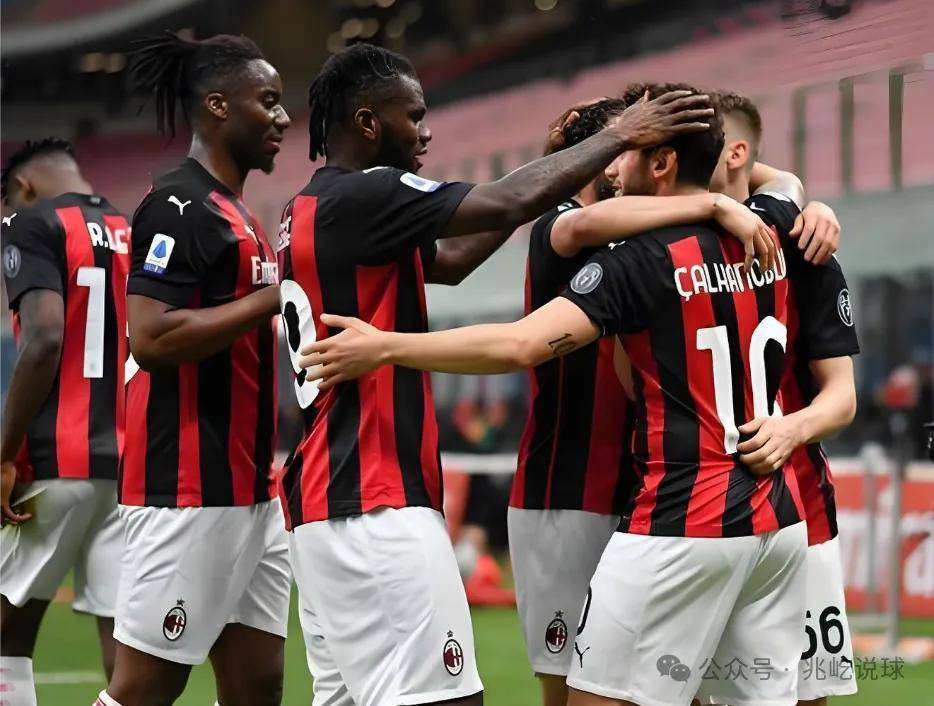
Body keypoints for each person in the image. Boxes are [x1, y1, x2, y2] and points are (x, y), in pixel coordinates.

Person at [298, 87, 855, 706]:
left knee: (588, 697)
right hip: (773, 519)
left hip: (679, 515)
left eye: (627, 150)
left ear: (661, 162)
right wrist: (736, 193)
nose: (613, 167)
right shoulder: (771, 227)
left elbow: (519, 345)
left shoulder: (638, 258)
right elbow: (782, 185)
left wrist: (385, 346)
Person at [277, 42, 714, 706]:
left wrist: (552, 168)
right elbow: (506, 201)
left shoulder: (308, 208)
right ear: (367, 122)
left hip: (323, 506)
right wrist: (619, 134)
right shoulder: (368, 193)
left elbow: (452, 262)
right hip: (373, 501)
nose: (425, 133)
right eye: (413, 116)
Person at [508, 94, 777, 706]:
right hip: (567, 491)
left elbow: (741, 165)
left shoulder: (652, 229)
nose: (628, 154)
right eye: (625, 140)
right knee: (573, 690)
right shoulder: (561, 222)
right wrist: (715, 202)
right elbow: (578, 229)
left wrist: (787, 190)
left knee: (678, 685)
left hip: (651, 494)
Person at [96, 32, 290, 706]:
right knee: (145, 689)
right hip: (187, 488)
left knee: (257, 686)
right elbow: (150, 337)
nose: (282, 117)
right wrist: (272, 298)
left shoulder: (241, 216)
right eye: (267, 100)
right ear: (217, 106)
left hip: (251, 490)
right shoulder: (178, 205)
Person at [709, 91, 859, 706]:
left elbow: (842, 398)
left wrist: (789, 429)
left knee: (802, 693)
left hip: (798, 504)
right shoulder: (660, 244)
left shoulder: (802, 245)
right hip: (689, 512)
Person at [0, 138, 130, 706]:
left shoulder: (28, 222)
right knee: (126, 657)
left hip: (55, 459)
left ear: (23, 187)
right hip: (128, 467)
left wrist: (4, 454)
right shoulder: (134, 229)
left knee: (8, 637)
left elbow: (46, 337)